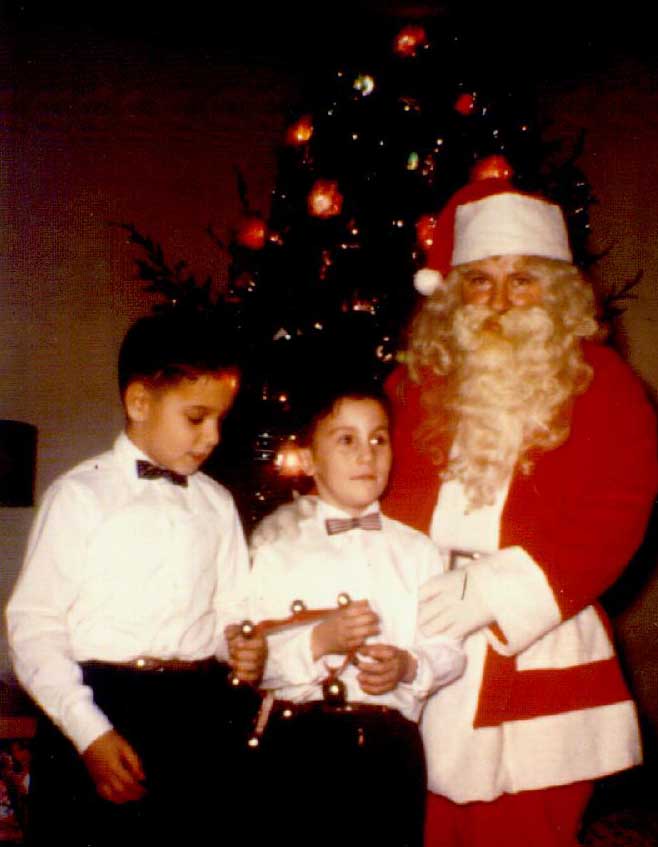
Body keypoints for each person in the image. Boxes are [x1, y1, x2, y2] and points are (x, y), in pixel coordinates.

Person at [382, 172, 658, 846]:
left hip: (540, 635)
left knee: (531, 820)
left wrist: (502, 589)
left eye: (523, 279)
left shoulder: (606, 384)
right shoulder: (413, 383)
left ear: (556, 290)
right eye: (480, 280)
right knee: (424, 818)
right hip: (423, 626)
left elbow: (619, 508)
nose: (500, 299)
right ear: (454, 294)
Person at [5, 310, 266, 847]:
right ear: (139, 402)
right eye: (197, 418)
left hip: (196, 712)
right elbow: (34, 627)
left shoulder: (217, 504)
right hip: (100, 706)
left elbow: (231, 611)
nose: (214, 436)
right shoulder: (80, 496)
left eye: (221, 419)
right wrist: (89, 731)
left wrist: (242, 644)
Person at [248, 377, 466, 847]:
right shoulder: (275, 543)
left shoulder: (420, 551)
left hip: (391, 749)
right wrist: (318, 641)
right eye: (346, 440)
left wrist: (410, 666)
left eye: (378, 438)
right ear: (308, 458)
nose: (367, 454)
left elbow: (450, 648)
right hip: (301, 742)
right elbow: (251, 657)